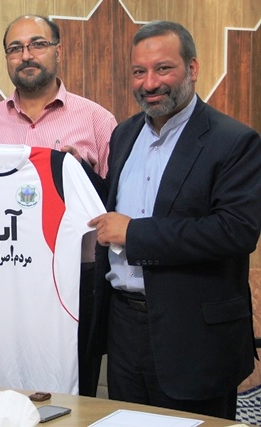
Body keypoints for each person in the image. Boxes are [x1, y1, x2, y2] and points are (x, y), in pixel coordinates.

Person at [88, 20, 261, 419]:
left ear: (192, 68)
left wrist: (135, 234)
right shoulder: (124, 134)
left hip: (195, 337)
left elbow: (236, 231)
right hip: (124, 328)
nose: (150, 83)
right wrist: (71, 170)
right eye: (139, 71)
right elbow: (116, 204)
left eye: (163, 68)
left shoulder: (234, 141)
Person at [0, 15, 117, 396]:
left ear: (58, 50)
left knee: (73, 391)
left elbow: (115, 202)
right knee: (2, 383)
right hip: (2, 276)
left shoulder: (97, 121)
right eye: (15, 48)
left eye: (37, 44)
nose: (26, 55)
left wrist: (80, 174)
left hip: (76, 280)